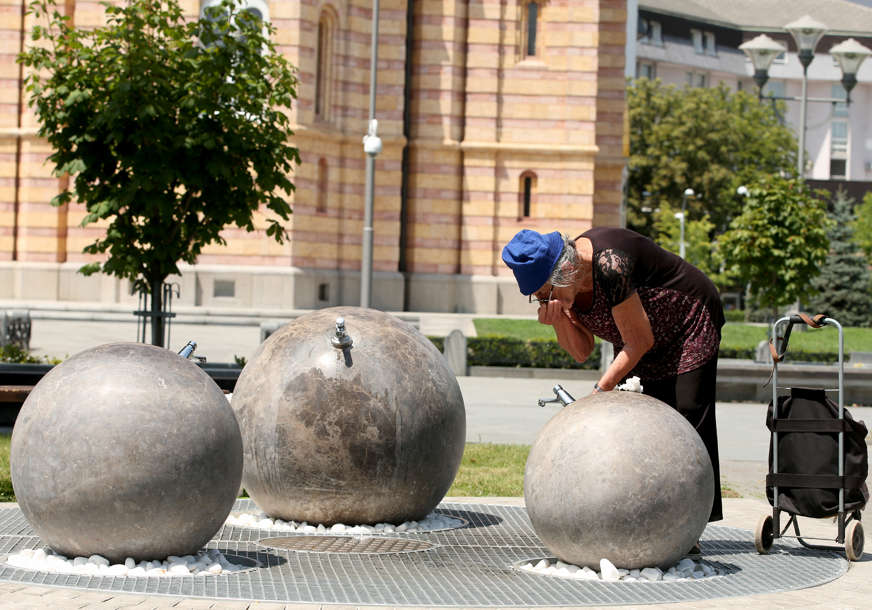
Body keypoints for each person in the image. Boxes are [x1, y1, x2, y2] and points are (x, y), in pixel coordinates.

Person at [501, 227, 725, 530]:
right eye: (538, 298)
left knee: (685, 419)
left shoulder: (609, 265)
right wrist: (556, 320)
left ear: (564, 272)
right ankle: (651, 517)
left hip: (687, 322)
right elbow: (582, 350)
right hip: (639, 333)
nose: (543, 302)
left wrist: (601, 390)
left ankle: (690, 527)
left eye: (544, 294)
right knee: (640, 426)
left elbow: (638, 342)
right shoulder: (566, 284)